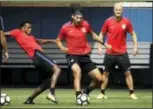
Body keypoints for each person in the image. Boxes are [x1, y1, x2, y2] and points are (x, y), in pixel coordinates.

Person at [56, 4, 111, 104]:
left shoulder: (85, 24)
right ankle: (78, 97)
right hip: (72, 55)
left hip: (84, 56)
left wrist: (104, 43)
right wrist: (62, 47)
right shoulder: (65, 27)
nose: (79, 20)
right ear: (72, 16)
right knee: (77, 72)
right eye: (77, 17)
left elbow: (93, 35)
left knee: (100, 79)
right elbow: (58, 40)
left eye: (81, 18)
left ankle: (85, 92)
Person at [4, 21, 61, 104]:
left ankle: (29, 100)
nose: (30, 29)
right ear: (22, 28)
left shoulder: (31, 37)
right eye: (28, 27)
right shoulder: (17, 32)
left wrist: (53, 41)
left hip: (37, 59)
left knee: (47, 82)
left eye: (31, 27)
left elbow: (40, 41)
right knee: (57, 69)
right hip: (37, 54)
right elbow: (3, 34)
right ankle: (51, 93)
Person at [97, 2, 138, 100]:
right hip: (109, 53)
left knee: (127, 73)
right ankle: (102, 93)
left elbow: (133, 34)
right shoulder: (108, 21)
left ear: (122, 11)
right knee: (105, 73)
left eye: (119, 10)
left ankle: (131, 93)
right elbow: (101, 34)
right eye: (116, 10)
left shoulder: (127, 22)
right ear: (114, 10)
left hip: (122, 53)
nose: (118, 11)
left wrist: (135, 46)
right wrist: (99, 46)